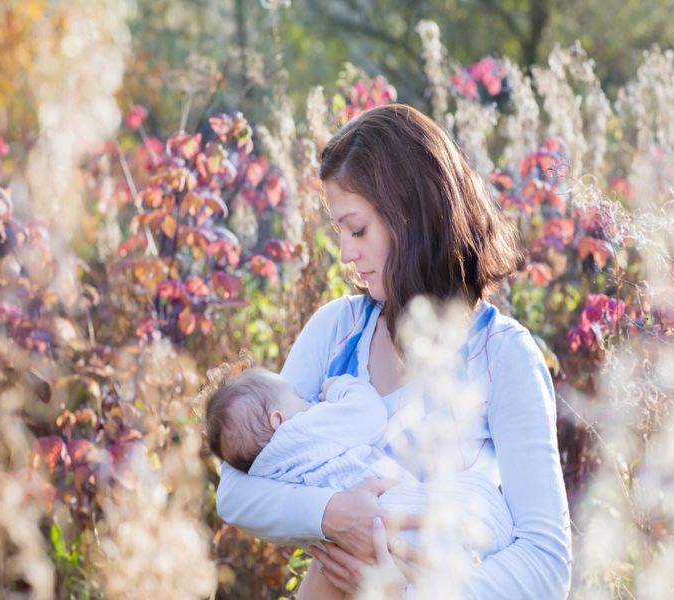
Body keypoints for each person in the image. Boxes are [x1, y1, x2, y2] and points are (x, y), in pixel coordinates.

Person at [215, 103, 572, 598]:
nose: (345, 253)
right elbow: (235, 490)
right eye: (340, 231)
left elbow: (546, 561)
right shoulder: (336, 331)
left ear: (411, 215)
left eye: (357, 229)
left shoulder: (502, 356)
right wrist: (337, 514)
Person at [205, 365, 515, 598]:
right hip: (391, 508)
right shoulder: (303, 429)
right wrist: (338, 386)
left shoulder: (262, 471)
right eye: (298, 398)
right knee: (477, 497)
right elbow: (369, 414)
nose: (308, 401)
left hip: (355, 560)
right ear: (278, 420)